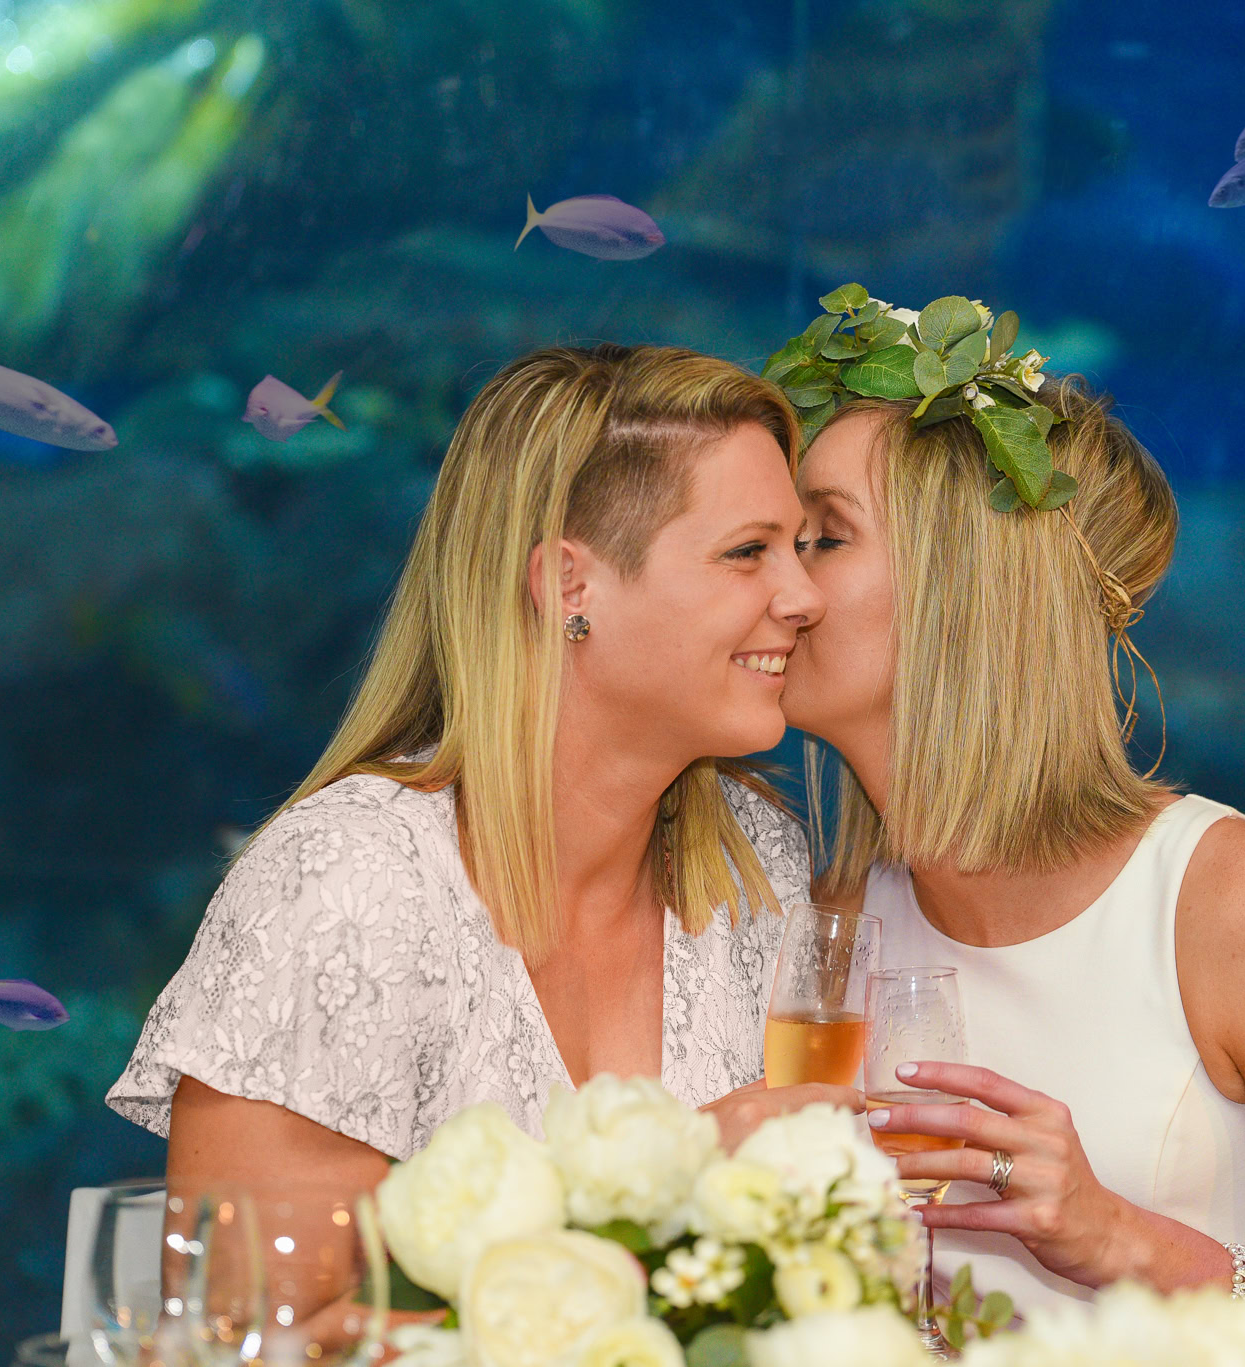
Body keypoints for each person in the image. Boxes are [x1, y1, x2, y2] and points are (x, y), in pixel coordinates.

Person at [777, 314, 1245, 1320]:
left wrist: (1123, 1238)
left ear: (964, 584)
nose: (776, 586)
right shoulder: (830, 923)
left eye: (820, 537)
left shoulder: (1232, 902)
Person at [106, 343, 852, 1210]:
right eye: (748, 552)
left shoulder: (758, 865)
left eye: (800, 547)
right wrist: (673, 1181)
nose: (805, 595)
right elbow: (259, 1326)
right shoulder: (344, 886)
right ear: (569, 585)